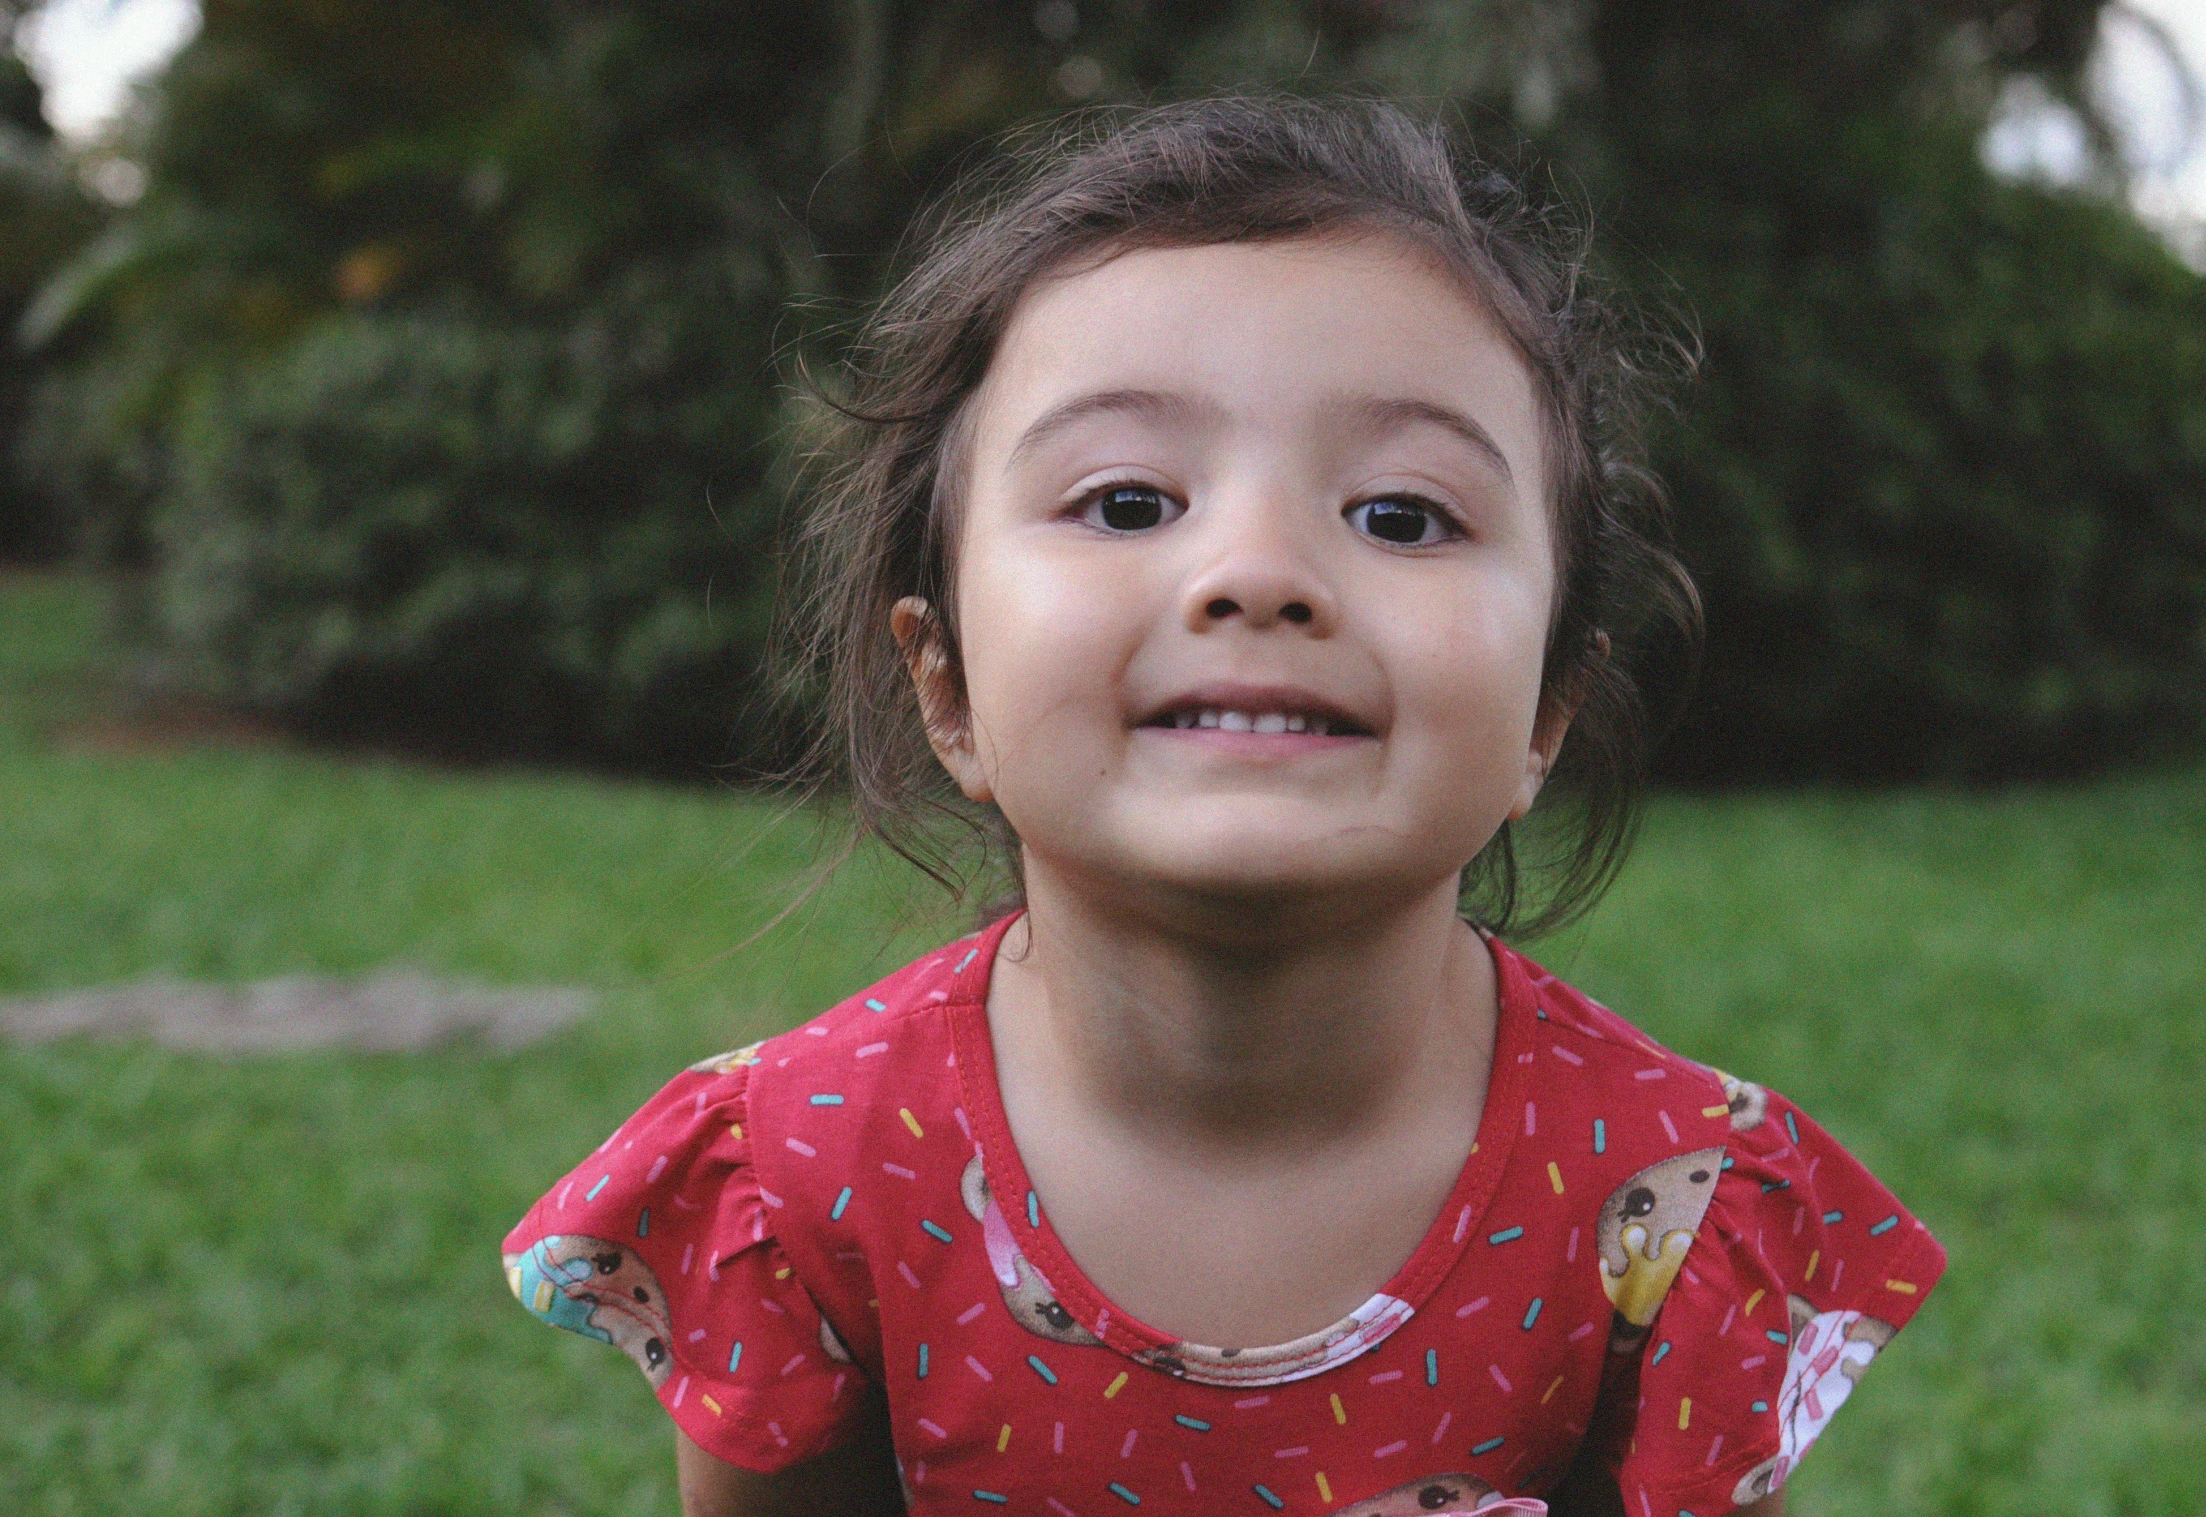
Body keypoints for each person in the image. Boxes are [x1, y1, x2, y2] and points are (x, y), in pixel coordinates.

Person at [501, 95, 1944, 1517]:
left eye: (1400, 514)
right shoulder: (805, 1174)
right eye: (1127, 501)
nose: (1257, 570)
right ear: (944, 689)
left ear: (1546, 712)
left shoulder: (1673, 1206)